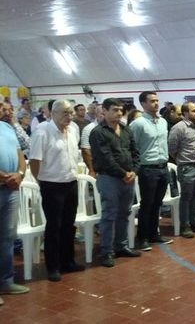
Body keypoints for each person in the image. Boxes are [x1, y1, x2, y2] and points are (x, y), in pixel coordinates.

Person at [29, 100, 83, 282]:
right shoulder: (42, 131)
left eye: (71, 113)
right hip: (52, 185)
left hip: (71, 182)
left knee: (69, 225)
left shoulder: (73, 129)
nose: (69, 117)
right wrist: (41, 182)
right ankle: (53, 266)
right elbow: (34, 161)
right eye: (65, 113)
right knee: (54, 226)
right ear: (53, 113)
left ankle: (68, 261)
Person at [90, 98, 142, 267]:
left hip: (128, 178)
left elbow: (135, 152)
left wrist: (134, 170)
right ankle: (106, 251)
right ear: (104, 111)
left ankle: (121, 246)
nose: (119, 113)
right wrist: (123, 173)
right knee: (109, 215)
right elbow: (106, 158)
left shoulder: (126, 129)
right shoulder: (98, 132)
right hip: (109, 178)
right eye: (115, 110)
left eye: (121, 110)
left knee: (124, 213)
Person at [130, 91, 173, 251]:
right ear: (143, 104)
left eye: (157, 100)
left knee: (157, 204)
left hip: (163, 166)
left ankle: (154, 234)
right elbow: (131, 147)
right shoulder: (138, 124)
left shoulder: (162, 121)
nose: (156, 103)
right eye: (152, 101)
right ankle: (142, 238)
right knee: (147, 204)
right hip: (147, 168)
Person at [168, 101, 195, 237]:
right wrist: (182, 160)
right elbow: (172, 148)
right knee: (186, 197)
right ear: (185, 113)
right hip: (186, 166)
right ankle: (185, 225)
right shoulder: (179, 128)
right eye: (194, 111)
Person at [0, 108, 29, 302]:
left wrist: (19, 173)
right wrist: (3, 176)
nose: (5, 110)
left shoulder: (8, 127)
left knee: (7, 237)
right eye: (2, 107)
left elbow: (20, 154)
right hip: (4, 182)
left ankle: (6, 281)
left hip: (10, 189)